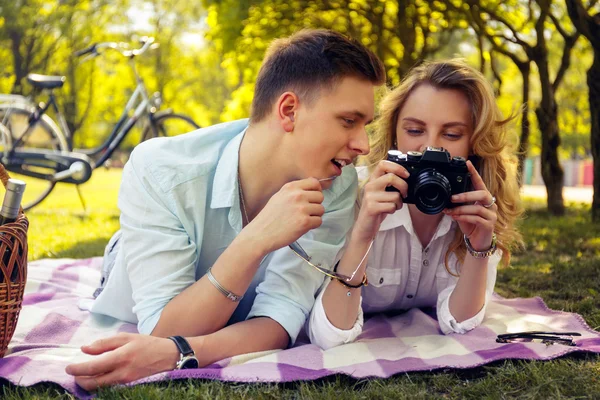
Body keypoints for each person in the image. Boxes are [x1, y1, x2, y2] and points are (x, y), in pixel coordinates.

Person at [65, 29, 386, 389]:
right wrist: (255, 240)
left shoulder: (336, 182)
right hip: (128, 271)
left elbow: (280, 319)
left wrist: (183, 353)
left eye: (366, 126)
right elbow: (163, 330)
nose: (362, 144)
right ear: (289, 110)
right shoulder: (160, 170)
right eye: (348, 121)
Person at [308, 59, 523, 349]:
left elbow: (460, 324)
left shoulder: (479, 210)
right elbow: (329, 335)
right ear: (394, 134)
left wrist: (478, 248)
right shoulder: (354, 196)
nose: (429, 147)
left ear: (475, 143)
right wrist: (364, 233)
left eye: (451, 134)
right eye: (414, 130)